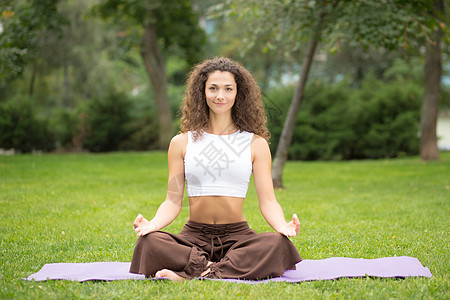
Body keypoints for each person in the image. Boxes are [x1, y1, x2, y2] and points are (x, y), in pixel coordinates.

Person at [130, 57, 301, 281]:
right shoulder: (181, 142)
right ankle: (216, 270)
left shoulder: (256, 144)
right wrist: (152, 224)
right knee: (150, 241)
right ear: (202, 92)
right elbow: (172, 201)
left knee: (277, 243)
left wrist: (282, 226)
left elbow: (268, 201)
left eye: (228, 89)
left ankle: (196, 271)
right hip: (193, 236)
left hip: (238, 236)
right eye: (213, 88)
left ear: (238, 93)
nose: (220, 96)